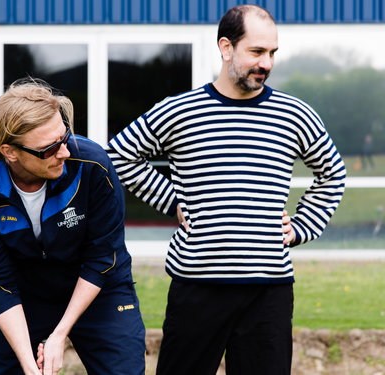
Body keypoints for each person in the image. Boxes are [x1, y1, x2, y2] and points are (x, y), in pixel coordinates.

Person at [106, 4, 346, 375]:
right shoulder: (179, 111)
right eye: (256, 51)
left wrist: (301, 227)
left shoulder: (294, 114)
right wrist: (173, 200)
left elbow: (333, 174)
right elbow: (119, 155)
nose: (266, 63)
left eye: (272, 53)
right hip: (197, 287)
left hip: (268, 292)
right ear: (226, 47)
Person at [0, 79, 146, 375]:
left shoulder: (93, 165)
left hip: (100, 288)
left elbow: (101, 258)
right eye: (49, 149)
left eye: (64, 137)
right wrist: (29, 364)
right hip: (26, 292)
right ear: (10, 152)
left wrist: (59, 335)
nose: (64, 153)